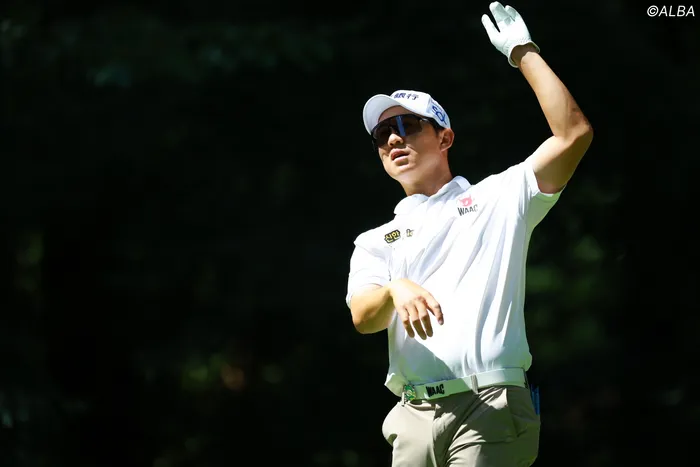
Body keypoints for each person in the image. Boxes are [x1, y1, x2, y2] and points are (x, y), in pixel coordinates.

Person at [344, 2, 593, 466]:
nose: (394, 139)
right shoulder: (375, 240)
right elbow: (364, 316)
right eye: (382, 135)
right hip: (412, 418)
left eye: (407, 125)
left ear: (445, 138)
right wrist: (396, 289)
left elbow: (572, 134)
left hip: (490, 405)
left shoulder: (498, 197)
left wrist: (522, 52)